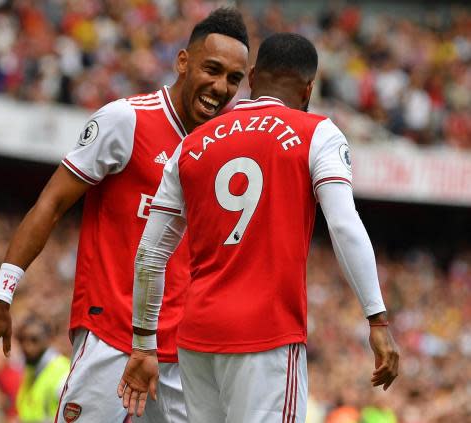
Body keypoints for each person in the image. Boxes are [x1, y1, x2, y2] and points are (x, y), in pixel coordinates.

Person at [0, 7, 249, 423]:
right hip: (111, 338)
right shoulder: (126, 120)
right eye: (212, 69)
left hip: (184, 358)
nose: (221, 86)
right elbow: (50, 204)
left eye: (233, 78)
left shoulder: (223, 150)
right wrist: (1, 292)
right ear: (183, 61)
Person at [118, 33, 400, 423]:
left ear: (251, 77)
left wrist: (144, 345)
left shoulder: (192, 143)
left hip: (197, 340)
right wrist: (377, 319)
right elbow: (343, 224)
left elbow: (151, 254)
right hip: (267, 337)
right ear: (309, 89)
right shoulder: (317, 132)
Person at [15, 315, 69, 423]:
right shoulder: (31, 370)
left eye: (34, 340)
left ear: (49, 339)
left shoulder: (62, 372)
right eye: (22, 339)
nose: (27, 346)